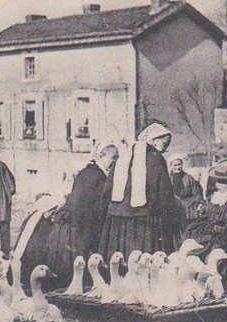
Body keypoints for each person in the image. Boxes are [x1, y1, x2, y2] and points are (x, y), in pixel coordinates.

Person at [99, 122, 185, 259]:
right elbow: (164, 193)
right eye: (164, 144)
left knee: (119, 259)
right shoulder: (155, 157)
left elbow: (108, 189)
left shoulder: (124, 155)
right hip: (144, 221)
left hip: (117, 219)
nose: (164, 149)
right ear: (152, 140)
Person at [46, 144, 119, 283]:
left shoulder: (89, 171)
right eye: (113, 158)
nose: (114, 162)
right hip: (87, 222)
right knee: (85, 254)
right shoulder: (95, 175)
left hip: (83, 221)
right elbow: (90, 203)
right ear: (102, 155)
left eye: (117, 159)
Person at [183, 160, 227, 293]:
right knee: (204, 275)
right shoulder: (217, 197)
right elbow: (205, 216)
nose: (216, 184)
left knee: (221, 275)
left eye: (220, 182)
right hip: (208, 242)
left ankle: (222, 308)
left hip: (223, 244)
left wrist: (211, 229)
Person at [12, 194, 62, 292]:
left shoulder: (35, 221)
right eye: (52, 211)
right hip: (33, 266)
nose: (53, 213)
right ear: (45, 210)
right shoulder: (42, 226)